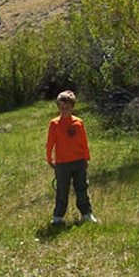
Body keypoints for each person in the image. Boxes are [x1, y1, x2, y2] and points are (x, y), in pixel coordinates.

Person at [46, 90, 98, 224]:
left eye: (67, 108)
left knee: (81, 188)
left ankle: (86, 214)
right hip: (62, 163)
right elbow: (50, 142)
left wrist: (86, 157)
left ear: (72, 107)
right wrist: (49, 158)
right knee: (62, 190)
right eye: (61, 108)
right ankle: (58, 217)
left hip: (79, 161)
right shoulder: (54, 124)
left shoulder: (78, 122)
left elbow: (84, 141)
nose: (64, 111)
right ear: (58, 107)